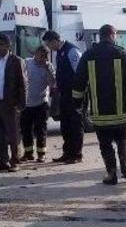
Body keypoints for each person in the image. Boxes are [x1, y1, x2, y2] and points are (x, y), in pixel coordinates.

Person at [72, 24, 126, 185]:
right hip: (120, 110)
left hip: (99, 111)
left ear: (100, 36)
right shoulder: (122, 54)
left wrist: (77, 103)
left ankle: (111, 173)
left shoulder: (88, 55)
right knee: (122, 138)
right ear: (112, 35)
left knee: (105, 143)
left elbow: (79, 81)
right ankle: (125, 166)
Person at [0, 34, 27, 172]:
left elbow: (23, 84)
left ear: (8, 46)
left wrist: (21, 103)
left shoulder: (16, 61)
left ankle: (15, 161)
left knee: (13, 135)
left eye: (1, 44)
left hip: (10, 105)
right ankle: (2, 162)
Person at [42, 30, 84, 164]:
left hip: (75, 94)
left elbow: (80, 72)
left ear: (54, 40)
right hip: (64, 94)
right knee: (65, 125)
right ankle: (68, 152)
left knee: (75, 125)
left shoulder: (71, 51)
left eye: (48, 44)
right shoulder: (59, 52)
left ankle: (77, 154)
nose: (49, 48)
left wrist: (79, 93)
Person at [20, 45, 56, 163]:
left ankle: (41, 154)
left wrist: (47, 69)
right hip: (26, 103)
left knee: (41, 130)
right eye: (41, 55)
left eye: (46, 56)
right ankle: (28, 153)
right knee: (26, 130)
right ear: (35, 54)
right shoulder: (26, 63)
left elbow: (52, 84)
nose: (43, 58)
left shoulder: (48, 66)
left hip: (41, 103)